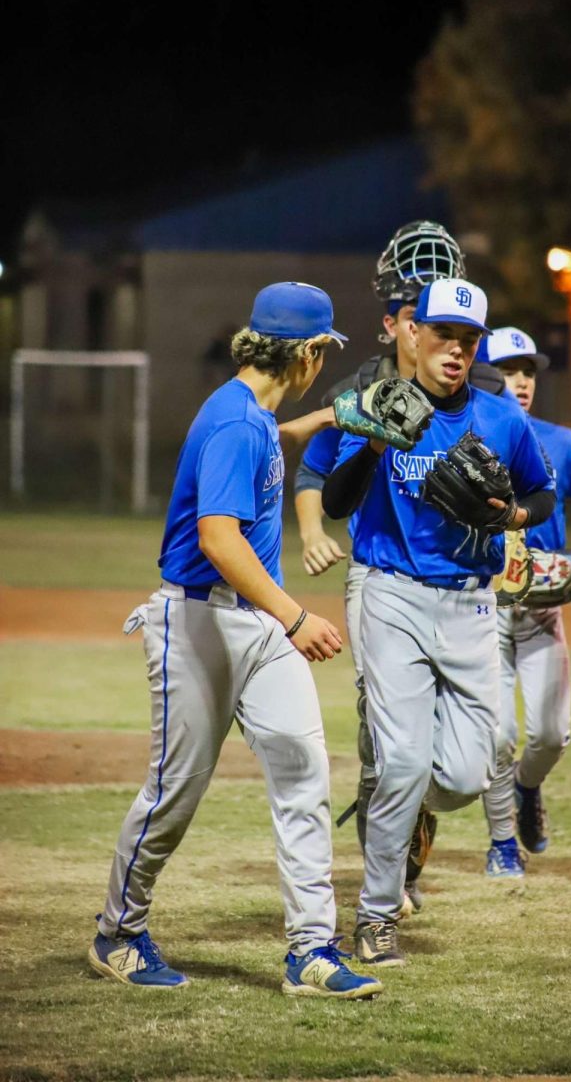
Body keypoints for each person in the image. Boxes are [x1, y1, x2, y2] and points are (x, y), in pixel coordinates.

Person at [89, 281, 383, 1000]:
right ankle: (118, 933)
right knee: (174, 794)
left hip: (250, 624)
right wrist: (295, 617)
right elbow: (218, 539)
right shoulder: (234, 424)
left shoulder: (248, 412)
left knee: (303, 774)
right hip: (199, 623)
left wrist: (332, 418)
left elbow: (272, 441)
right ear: (309, 353)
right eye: (325, 352)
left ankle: (311, 949)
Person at [322, 279, 556, 966]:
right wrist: (370, 442)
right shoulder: (377, 406)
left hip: (471, 605)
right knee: (399, 761)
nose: (455, 350)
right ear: (411, 334)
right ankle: (374, 916)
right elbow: (337, 502)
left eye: (467, 340)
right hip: (393, 595)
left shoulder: (500, 418)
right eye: (443, 335)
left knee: (460, 775)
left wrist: (512, 517)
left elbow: (540, 494)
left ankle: (403, 801)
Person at [294, 220, 507, 915]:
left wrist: (523, 532)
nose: (436, 335)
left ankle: (416, 795)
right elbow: (315, 472)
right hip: (380, 570)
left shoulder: (484, 392)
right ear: (395, 323)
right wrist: (309, 533)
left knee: (460, 751)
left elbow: (517, 486)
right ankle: (394, 857)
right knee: (386, 728)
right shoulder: (366, 384)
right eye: (418, 315)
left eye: (447, 322)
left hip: (464, 583)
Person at [482, 327, 571, 878]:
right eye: (508, 369)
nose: (521, 381)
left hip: (541, 606)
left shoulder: (565, 443)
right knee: (498, 733)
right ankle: (502, 843)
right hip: (482, 605)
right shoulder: (466, 434)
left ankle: (527, 789)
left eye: (528, 370)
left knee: (551, 734)